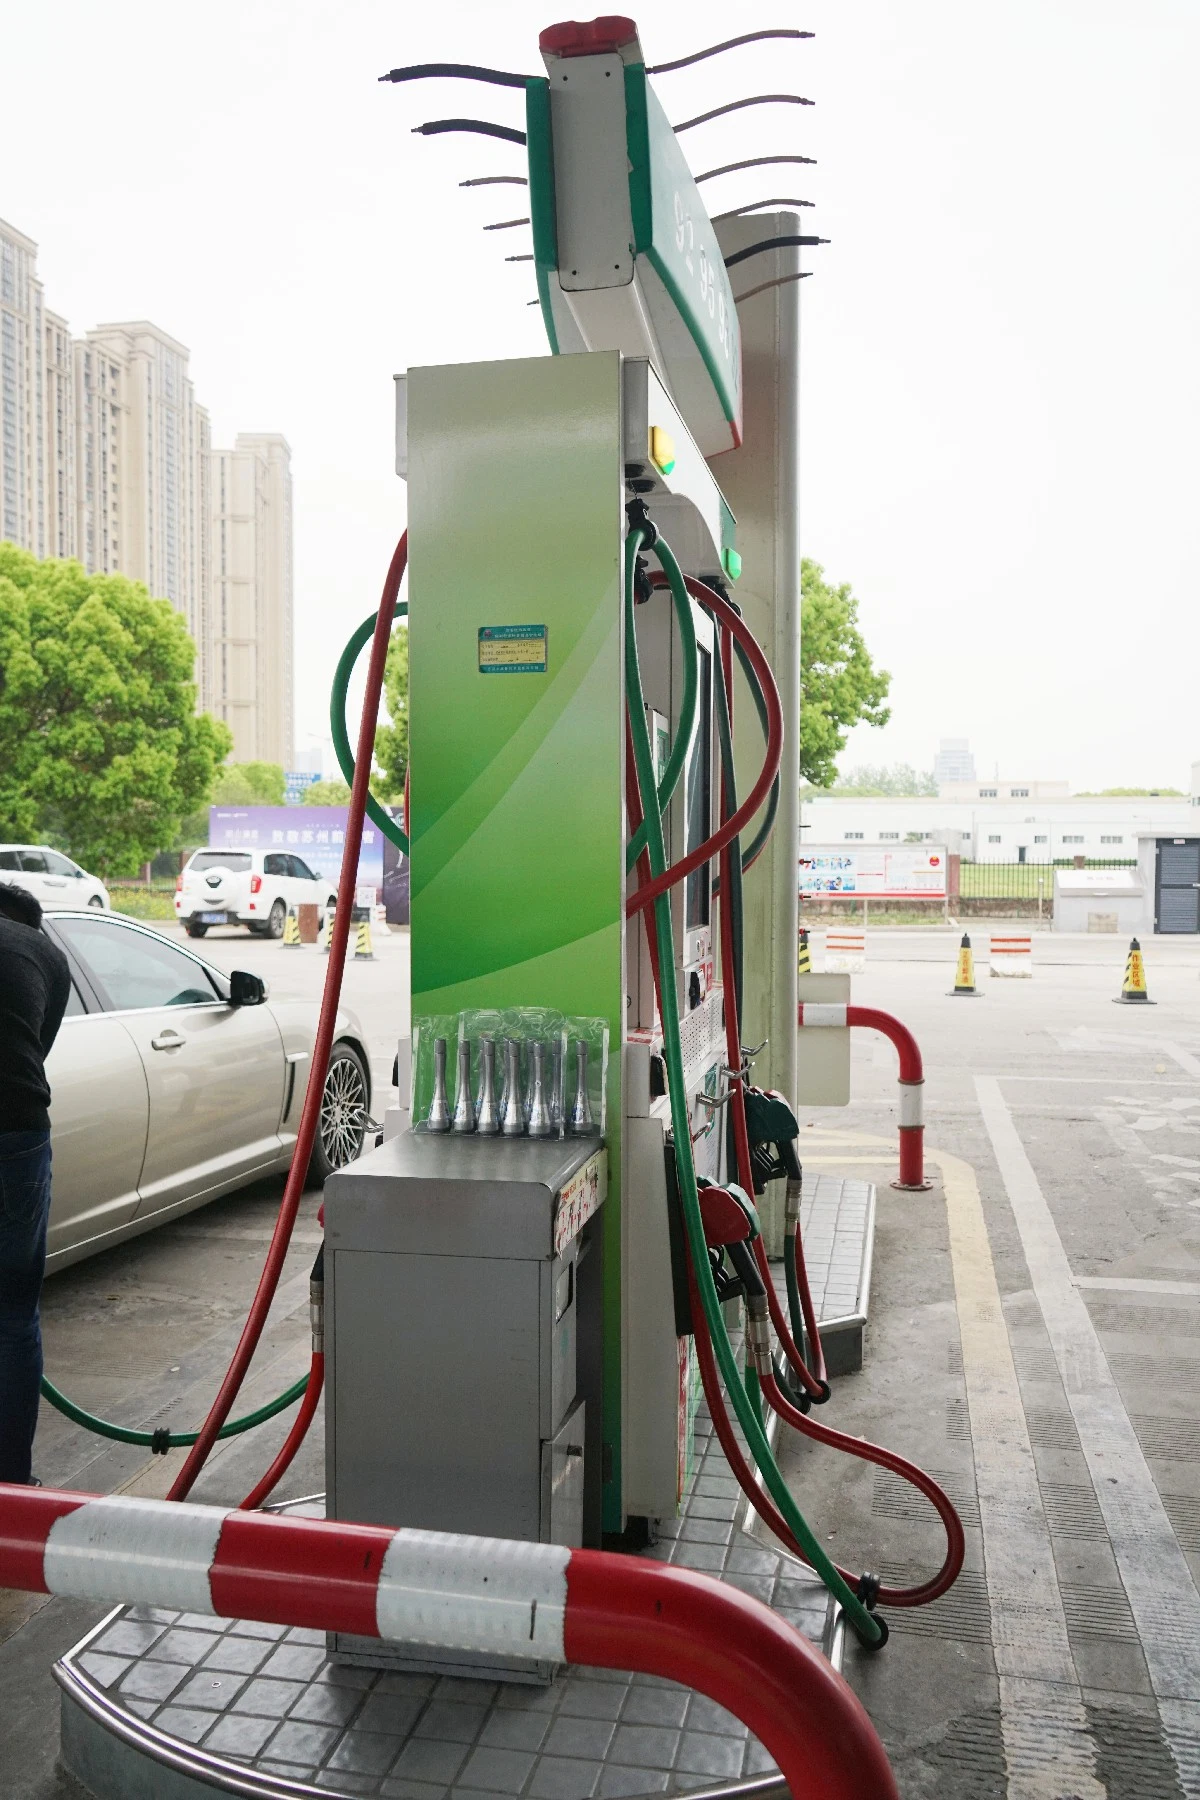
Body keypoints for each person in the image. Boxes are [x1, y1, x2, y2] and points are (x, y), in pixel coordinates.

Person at [0, 880, 71, 1484]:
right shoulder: (46, 955)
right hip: (16, 1138)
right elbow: (34, 1052)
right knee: (14, 1316)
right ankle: (13, 1487)